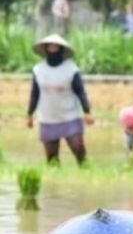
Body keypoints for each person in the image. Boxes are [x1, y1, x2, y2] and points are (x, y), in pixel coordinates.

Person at [27, 34, 93, 166]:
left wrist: (87, 111)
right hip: (48, 117)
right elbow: (35, 93)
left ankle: (86, 171)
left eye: (55, 47)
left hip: (70, 116)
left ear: (61, 49)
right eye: (50, 47)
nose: (52, 49)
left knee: (78, 148)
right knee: (51, 158)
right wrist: (29, 114)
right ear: (45, 49)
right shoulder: (38, 70)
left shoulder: (71, 69)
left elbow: (80, 92)